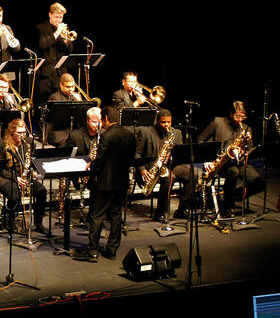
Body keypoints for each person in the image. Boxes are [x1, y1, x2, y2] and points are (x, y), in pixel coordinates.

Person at [74, 105, 136, 262]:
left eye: (102, 119)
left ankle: (92, 251)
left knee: (96, 216)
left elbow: (100, 160)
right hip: (122, 182)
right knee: (116, 217)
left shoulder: (107, 136)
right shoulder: (129, 135)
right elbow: (131, 159)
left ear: (107, 119)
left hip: (105, 183)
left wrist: (91, 165)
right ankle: (112, 250)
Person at [197, 101, 265, 216]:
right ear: (230, 113)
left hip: (239, 162)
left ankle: (233, 196)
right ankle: (227, 207)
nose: (239, 120)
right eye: (237, 116)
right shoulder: (218, 122)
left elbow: (250, 150)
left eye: (242, 117)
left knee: (259, 182)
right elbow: (200, 140)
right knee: (233, 171)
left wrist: (242, 152)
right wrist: (207, 159)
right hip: (221, 163)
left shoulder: (246, 129)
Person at [0, 118, 47, 234]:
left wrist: (32, 171)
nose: (22, 135)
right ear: (11, 132)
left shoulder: (29, 143)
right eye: (19, 133)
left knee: (41, 191)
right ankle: (10, 220)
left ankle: (39, 223)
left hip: (23, 176)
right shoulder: (2, 144)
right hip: (6, 176)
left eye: (24, 132)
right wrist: (16, 178)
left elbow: (32, 162)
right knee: (15, 195)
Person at [135, 109, 193, 221]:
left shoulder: (176, 133)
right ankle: (160, 212)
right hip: (150, 168)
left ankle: (181, 210)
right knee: (169, 178)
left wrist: (171, 155)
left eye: (168, 122)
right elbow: (136, 154)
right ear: (157, 121)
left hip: (171, 165)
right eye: (163, 122)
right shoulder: (145, 132)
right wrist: (142, 169)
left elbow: (180, 155)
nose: (166, 125)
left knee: (191, 174)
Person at [34, 2, 75, 107]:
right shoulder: (40, 28)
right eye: (56, 17)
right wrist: (57, 33)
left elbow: (70, 50)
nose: (59, 20)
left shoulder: (64, 29)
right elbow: (42, 45)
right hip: (45, 73)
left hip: (60, 72)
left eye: (61, 17)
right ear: (50, 15)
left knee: (59, 103)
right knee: (43, 103)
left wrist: (66, 40)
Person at [45, 73, 82, 147]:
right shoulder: (54, 97)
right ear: (61, 85)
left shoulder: (77, 96)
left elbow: (81, 116)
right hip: (59, 131)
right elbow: (57, 118)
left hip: (74, 129)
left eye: (72, 86)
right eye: (68, 87)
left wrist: (79, 102)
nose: (71, 89)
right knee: (66, 143)